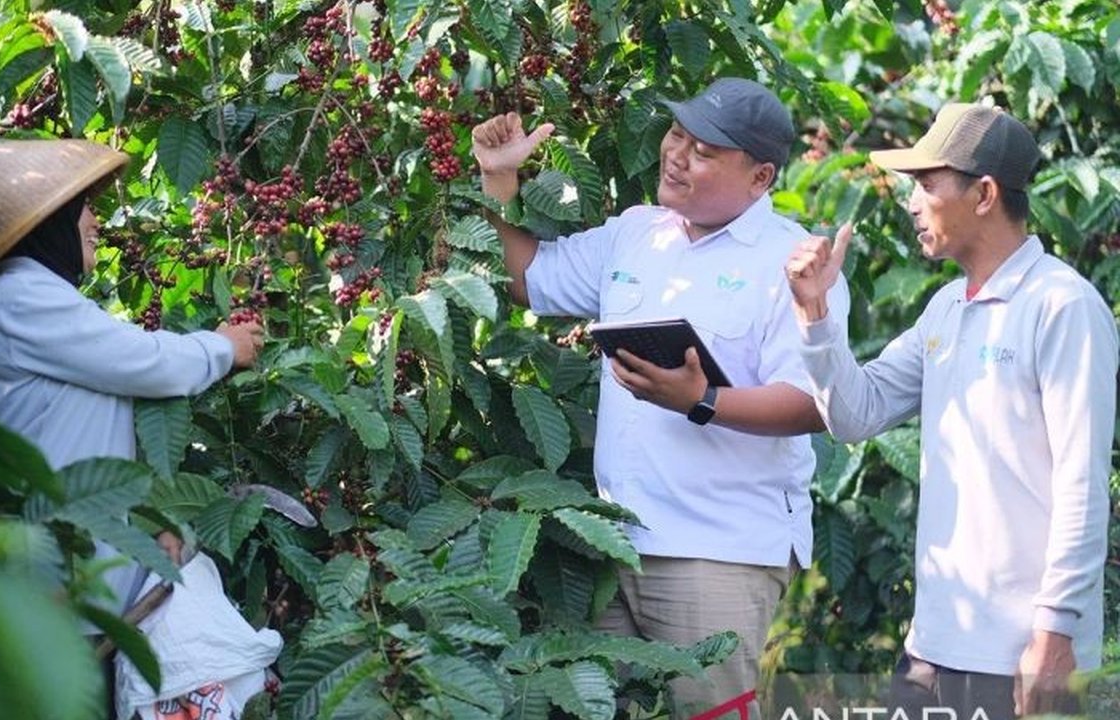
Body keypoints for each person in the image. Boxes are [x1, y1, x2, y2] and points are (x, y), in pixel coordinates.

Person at [471, 78, 850, 718]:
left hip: (717, 554)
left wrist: (701, 400)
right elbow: (528, 277)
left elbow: (815, 403)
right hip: (612, 544)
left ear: (760, 178)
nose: (676, 155)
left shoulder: (793, 262)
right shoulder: (637, 234)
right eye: (678, 135)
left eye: (703, 151)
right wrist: (496, 185)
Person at [785, 104, 1117, 719]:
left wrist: (1055, 633)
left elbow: (1082, 481)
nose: (911, 202)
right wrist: (815, 316)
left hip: (1019, 654)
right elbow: (856, 415)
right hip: (931, 648)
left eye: (928, 182)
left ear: (985, 192)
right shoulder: (944, 308)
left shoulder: (1063, 305)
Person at [0, 139, 282, 720]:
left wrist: (148, 525)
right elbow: (144, 361)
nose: (96, 221)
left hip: (85, 582)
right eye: (84, 207)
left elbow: (88, 429)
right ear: (52, 220)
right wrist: (222, 348)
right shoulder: (20, 298)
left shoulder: (42, 299)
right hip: (55, 585)